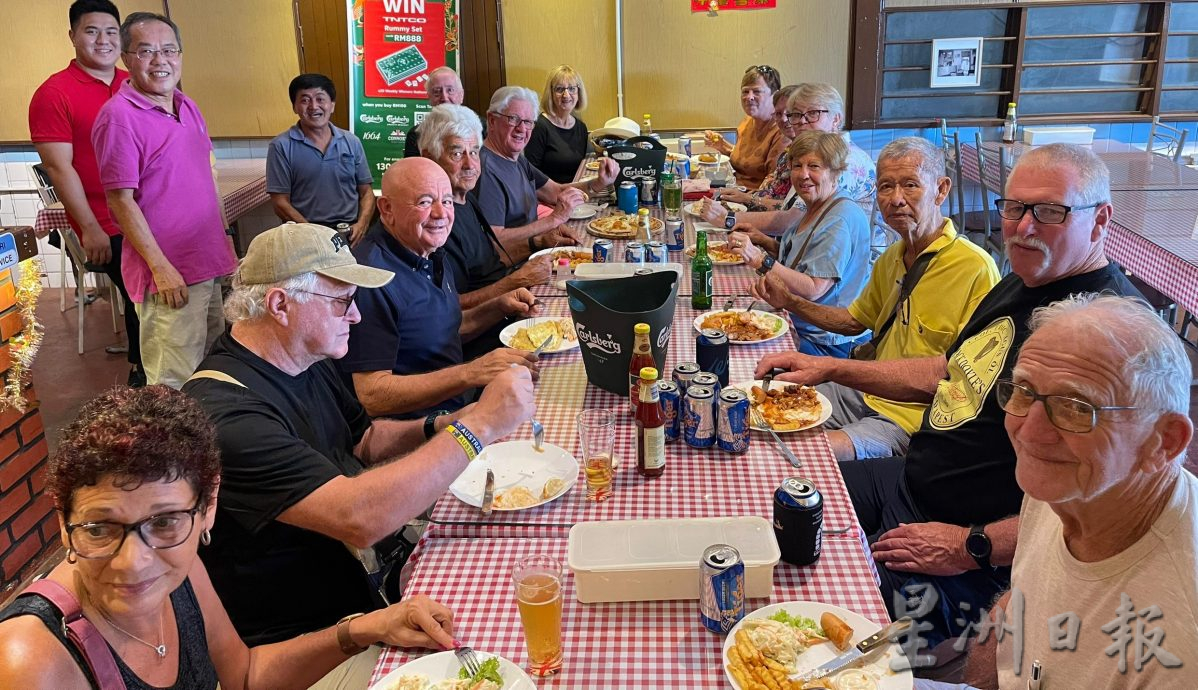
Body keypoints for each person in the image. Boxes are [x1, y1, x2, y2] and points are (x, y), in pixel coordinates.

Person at [755, 143, 1142, 646]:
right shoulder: (1021, 282)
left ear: (1100, 218)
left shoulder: (1112, 333)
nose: (1023, 227)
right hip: (910, 481)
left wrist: (970, 545)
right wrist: (830, 366)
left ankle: (944, 656)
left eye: (1049, 211)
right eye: (1014, 208)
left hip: (969, 544)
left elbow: (1106, 506)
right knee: (778, 503)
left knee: (815, 624)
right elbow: (947, 371)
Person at [181, 224, 535, 673]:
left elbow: (364, 440)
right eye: (343, 301)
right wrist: (479, 426)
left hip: (370, 588)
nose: (356, 317)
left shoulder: (302, 355)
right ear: (280, 305)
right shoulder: (226, 415)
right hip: (309, 643)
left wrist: (450, 423)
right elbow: (360, 519)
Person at [0, 385, 461, 690]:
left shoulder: (181, 571)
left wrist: (366, 627)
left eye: (164, 522)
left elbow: (243, 675)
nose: (134, 561)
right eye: (100, 528)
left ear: (208, 507)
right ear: (63, 521)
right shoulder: (32, 661)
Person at [962, 295, 1198, 689]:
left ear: (1164, 442)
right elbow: (1019, 603)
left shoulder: (1182, 640)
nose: (1030, 433)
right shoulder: (1071, 481)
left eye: (1076, 406)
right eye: (1024, 389)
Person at [752, 137, 1000, 461]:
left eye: (910, 185)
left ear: (941, 189)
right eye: (885, 187)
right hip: (865, 393)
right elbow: (854, 322)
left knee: (802, 453)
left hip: (912, 420)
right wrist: (790, 302)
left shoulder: (975, 268)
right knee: (760, 412)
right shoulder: (892, 256)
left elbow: (959, 379)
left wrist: (830, 367)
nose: (896, 199)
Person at [92, 12, 237, 389]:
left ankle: (211, 446)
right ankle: (179, 450)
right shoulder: (118, 118)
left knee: (213, 369)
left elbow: (205, 178)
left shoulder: (188, 107)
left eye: (169, 50)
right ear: (126, 58)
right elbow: (120, 202)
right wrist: (161, 268)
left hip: (206, 264)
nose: (161, 60)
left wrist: (224, 245)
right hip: (168, 276)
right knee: (173, 383)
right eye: (146, 51)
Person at [342, 158, 542, 419]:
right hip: (420, 427)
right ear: (387, 208)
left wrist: (498, 307)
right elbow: (373, 395)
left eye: (447, 201)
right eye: (425, 202)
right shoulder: (370, 277)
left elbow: (442, 330)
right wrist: (471, 372)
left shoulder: (427, 248)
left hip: (458, 401)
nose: (441, 214)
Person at [28, 0, 144, 387]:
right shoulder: (53, 93)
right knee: (142, 296)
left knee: (155, 298)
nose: (103, 40)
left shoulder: (135, 81)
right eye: (92, 31)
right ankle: (143, 377)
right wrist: (90, 227)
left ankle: (152, 371)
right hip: (107, 219)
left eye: (112, 31)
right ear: (73, 36)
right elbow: (60, 168)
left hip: (151, 213)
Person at [727, 130, 872, 358]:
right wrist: (764, 241)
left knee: (735, 350)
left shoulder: (839, 220)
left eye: (814, 166)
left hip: (826, 341)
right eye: (797, 166)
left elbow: (813, 289)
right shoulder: (818, 204)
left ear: (836, 172)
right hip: (800, 322)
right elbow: (802, 258)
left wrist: (760, 259)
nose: (803, 175)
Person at [700, 83, 877, 236]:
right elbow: (788, 209)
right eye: (796, 115)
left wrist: (728, 219)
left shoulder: (845, 161)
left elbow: (793, 220)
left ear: (836, 119)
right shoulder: (814, 154)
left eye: (813, 113)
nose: (802, 121)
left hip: (840, 267)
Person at [473, 85, 618, 244]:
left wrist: (599, 182)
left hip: (533, 252)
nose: (522, 129)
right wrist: (553, 220)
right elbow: (493, 241)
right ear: (492, 120)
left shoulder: (515, 158)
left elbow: (556, 192)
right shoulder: (485, 169)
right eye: (513, 118)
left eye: (528, 122)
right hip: (515, 264)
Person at [266, 73, 375, 246]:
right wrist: (311, 232)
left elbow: (366, 191)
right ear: (294, 106)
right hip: (305, 235)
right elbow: (280, 202)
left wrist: (362, 224)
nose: (313, 106)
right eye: (305, 100)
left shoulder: (351, 142)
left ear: (332, 105)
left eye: (320, 99)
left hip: (349, 232)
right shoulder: (281, 146)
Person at [713, 84, 798, 212]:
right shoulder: (790, 150)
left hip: (767, 220)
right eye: (778, 114)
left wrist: (746, 200)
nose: (784, 119)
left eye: (791, 113)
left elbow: (790, 211)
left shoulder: (807, 156)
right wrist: (744, 197)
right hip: (751, 202)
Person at [704, 65, 785, 189]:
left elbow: (773, 187)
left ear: (775, 95)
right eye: (745, 91)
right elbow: (746, 162)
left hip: (753, 199)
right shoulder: (747, 121)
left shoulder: (781, 132)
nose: (749, 97)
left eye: (757, 91)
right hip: (734, 189)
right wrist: (722, 146)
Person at [525, 65, 592, 184]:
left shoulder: (581, 128)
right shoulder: (540, 126)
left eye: (571, 88)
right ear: (550, 93)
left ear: (578, 92)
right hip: (547, 197)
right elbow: (530, 174)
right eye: (560, 89)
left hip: (573, 193)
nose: (566, 95)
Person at [403, 66, 465, 159]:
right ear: (429, 98)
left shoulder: (482, 129)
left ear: (461, 95)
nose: (444, 97)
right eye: (437, 91)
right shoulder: (417, 135)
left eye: (450, 90)